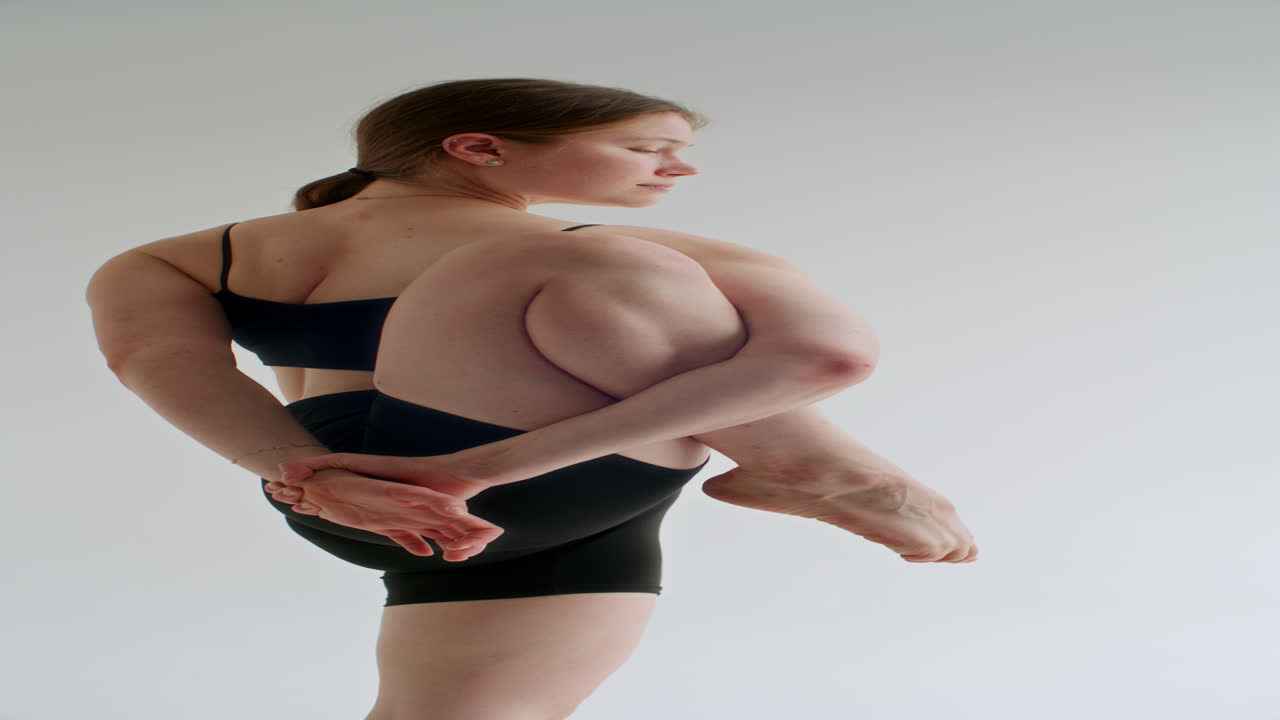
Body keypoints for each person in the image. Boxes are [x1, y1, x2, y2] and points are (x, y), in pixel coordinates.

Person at [87, 78, 977, 720]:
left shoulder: (173, 258)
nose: (677, 170)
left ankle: (815, 466)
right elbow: (829, 356)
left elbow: (155, 361)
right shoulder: (615, 252)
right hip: (547, 485)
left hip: (356, 498)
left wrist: (301, 474)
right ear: (479, 148)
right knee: (568, 262)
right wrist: (467, 469)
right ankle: (816, 464)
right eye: (648, 147)